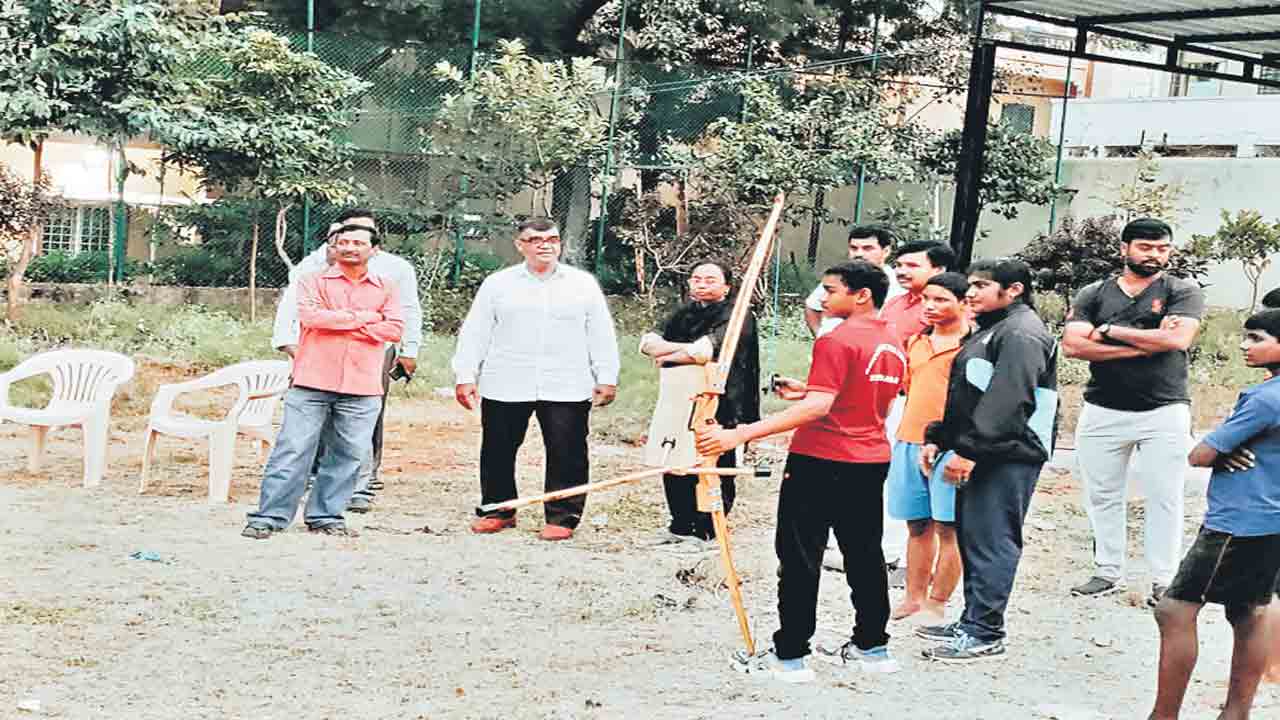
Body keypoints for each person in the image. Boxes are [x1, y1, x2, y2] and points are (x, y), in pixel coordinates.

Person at [696, 260, 906, 683]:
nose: (823, 298)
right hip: (869, 459)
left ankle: (790, 654)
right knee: (864, 553)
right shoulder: (892, 339)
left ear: (861, 294)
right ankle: (872, 646)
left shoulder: (837, 338)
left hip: (822, 460)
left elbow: (818, 409)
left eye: (831, 290)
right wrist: (807, 389)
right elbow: (859, 393)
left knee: (799, 556)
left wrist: (739, 435)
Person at [916, 258, 1058, 664]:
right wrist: (940, 436)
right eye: (971, 285)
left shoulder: (1021, 333)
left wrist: (969, 451)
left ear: (1013, 290)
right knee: (974, 538)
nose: (971, 292)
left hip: (1007, 454)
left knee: (993, 541)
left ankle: (985, 632)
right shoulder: (994, 328)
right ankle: (972, 620)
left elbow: (1009, 399)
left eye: (981, 285)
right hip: (985, 450)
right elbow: (971, 393)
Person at [1063, 218, 1206, 605]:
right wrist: (1148, 341)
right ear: (1124, 249)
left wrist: (1108, 330)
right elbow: (1073, 345)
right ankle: (1107, 571)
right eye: (1146, 247)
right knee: (1102, 494)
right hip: (1103, 408)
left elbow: (1178, 338)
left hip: (1164, 408)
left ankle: (1164, 578)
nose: (1154, 255)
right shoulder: (1095, 292)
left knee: (1166, 495)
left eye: (1162, 248)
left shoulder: (1181, 290)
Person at [452, 217, 620, 542]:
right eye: (535, 240)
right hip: (507, 379)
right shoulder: (498, 284)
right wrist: (466, 374)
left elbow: (600, 333)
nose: (545, 246)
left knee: (567, 451)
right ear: (521, 245)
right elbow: (476, 332)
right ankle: (498, 509)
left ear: (559, 243)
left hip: (566, 382)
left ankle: (562, 516)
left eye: (552, 239)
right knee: (498, 449)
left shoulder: (581, 284)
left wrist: (606, 376)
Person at [1148, 308, 1280, 720]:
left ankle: (1163, 716)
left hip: (1238, 521)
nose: (1245, 345)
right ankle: (1236, 712)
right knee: (1248, 610)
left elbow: (1200, 454)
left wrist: (1221, 453)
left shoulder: (1264, 398)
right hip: (1271, 521)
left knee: (1174, 609)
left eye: (1256, 338)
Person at [242, 218, 404, 538]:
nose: (349, 248)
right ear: (333, 246)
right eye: (342, 242)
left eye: (358, 243)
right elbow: (312, 317)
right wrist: (366, 319)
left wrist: (340, 321)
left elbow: (394, 329)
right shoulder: (311, 281)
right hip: (311, 380)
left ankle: (326, 515)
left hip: (362, 385)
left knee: (349, 453)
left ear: (375, 250)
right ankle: (269, 516)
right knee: (293, 448)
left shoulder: (387, 287)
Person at [278, 210, 423, 514]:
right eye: (345, 237)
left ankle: (361, 487)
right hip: (316, 359)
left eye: (361, 237)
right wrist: (289, 342)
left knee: (361, 426)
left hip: (370, 357)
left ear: (374, 243)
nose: (351, 245)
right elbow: (299, 311)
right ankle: (307, 485)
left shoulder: (394, 272)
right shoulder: (313, 268)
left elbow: (402, 317)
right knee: (304, 430)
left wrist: (409, 349)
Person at [802, 224, 908, 584]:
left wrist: (743, 433)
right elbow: (812, 307)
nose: (859, 253)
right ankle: (871, 638)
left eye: (868, 247)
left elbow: (818, 406)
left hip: (848, 444)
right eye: (854, 247)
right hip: (857, 435)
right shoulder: (837, 333)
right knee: (859, 543)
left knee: (845, 543)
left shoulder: (886, 310)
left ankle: (797, 641)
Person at [639, 261, 760, 549]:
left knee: (710, 461)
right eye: (696, 278)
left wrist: (667, 353)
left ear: (726, 286)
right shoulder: (685, 311)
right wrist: (682, 353)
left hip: (720, 400)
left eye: (710, 279)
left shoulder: (738, 315)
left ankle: (708, 530)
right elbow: (647, 342)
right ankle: (680, 525)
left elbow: (705, 351)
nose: (701, 284)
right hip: (678, 398)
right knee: (675, 459)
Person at [885, 272, 971, 622]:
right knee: (916, 525)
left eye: (941, 300)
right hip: (909, 440)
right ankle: (914, 597)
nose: (931, 307)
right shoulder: (916, 343)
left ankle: (938, 602)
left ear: (964, 304)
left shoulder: (974, 345)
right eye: (926, 299)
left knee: (949, 526)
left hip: (950, 445)